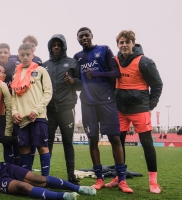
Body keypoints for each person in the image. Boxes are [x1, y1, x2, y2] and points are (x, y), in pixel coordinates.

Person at [0, 122, 97, 200]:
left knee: (38, 179)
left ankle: (78, 189)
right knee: (24, 186)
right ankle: (62, 196)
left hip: (3, 169)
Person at [73, 27, 132, 193]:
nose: (84, 38)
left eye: (86, 35)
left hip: (106, 101)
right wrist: (72, 81)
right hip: (87, 103)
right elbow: (80, 82)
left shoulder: (104, 49)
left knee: (115, 138)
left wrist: (98, 74)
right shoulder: (77, 57)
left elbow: (116, 73)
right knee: (92, 140)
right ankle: (99, 178)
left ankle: (121, 180)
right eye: (80, 36)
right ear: (77, 39)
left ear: (91, 36)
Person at [113, 30, 163, 193]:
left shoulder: (145, 62)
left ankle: (153, 181)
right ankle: (119, 177)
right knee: (118, 144)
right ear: (118, 45)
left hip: (140, 109)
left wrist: (150, 105)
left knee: (147, 143)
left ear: (133, 43)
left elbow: (157, 85)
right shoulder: (114, 61)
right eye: (121, 42)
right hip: (120, 109)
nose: (124, 45)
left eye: (127, 42)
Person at [42, 34, 80, 185]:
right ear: (50, 47)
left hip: (66, 109)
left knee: (68, 143)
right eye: (53, 44)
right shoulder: (44, 65)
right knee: (48, 143)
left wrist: (73, 81)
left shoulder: (72, 63)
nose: (56, 47)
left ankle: (71, 175)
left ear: (63, 46)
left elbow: (82, 84)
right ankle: (46, 176)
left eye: (59, 44)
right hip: (49, 110)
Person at [11, 43, 52, 176]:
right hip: (22, 118)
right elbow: (13, 97)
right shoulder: (15, 74)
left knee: (42, 147)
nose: (25, 57)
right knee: (24, 148)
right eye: (22, 55)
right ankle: (28, 178)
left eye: (28, 54)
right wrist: (14, 112)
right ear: (19, 56)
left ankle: (45, 179)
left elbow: (48, 92)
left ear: (32, 55)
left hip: (38, 116)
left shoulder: (41, 70)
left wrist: (37, 110)